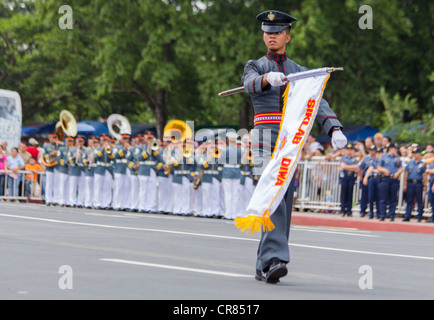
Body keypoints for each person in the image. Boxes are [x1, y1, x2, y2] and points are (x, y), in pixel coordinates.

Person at [241, 10, 346, 283]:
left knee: (284, 198)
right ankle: (275, 258)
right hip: (265, 135)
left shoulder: (298, 71)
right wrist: (267, 79)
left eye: (277, 33)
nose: (271, 37)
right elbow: (249, 84)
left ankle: (264, 263)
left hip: (290, 138)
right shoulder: (256, 65)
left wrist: (333, 126)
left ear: (287, 36)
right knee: (274, 192)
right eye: (267, 32)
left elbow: (316, 99)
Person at [377, 143, 403, 221]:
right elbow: (379, 167)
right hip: (385, 178)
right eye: (393, 148)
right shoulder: (384, 157)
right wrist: (384, 170)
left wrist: (398, 173)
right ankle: (382, 215)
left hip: (394, 179)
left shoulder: (397, 158)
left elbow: (401, 168)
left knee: (393, 198)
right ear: (390, 148)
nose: (394, 150)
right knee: (383, 198)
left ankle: (392, 215)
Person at [403, 148, 426, 222]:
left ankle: (419, 216)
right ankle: (407, 216)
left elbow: (424, 174)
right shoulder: (410, 163)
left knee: (419, 200)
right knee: (409, 200)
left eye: (416, 153)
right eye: (414, 153)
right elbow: (406, 174)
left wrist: (425, 185)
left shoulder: (422, 163)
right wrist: (405, 184)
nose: (415, 154)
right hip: (410, 183)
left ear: (419, 154)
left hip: (418, 183)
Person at [339, 143, 358, 217]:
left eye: (351, 150)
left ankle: (349, 211)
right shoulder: (343, 158)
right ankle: (343, 210)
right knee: (343, 194)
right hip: (345, 176)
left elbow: (356, 167)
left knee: (350, 194)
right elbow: (342, 166)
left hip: (351, 176)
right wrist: (350, 167)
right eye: (348, 150)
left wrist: (346, 167)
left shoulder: (354, 158)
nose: (349, 151)